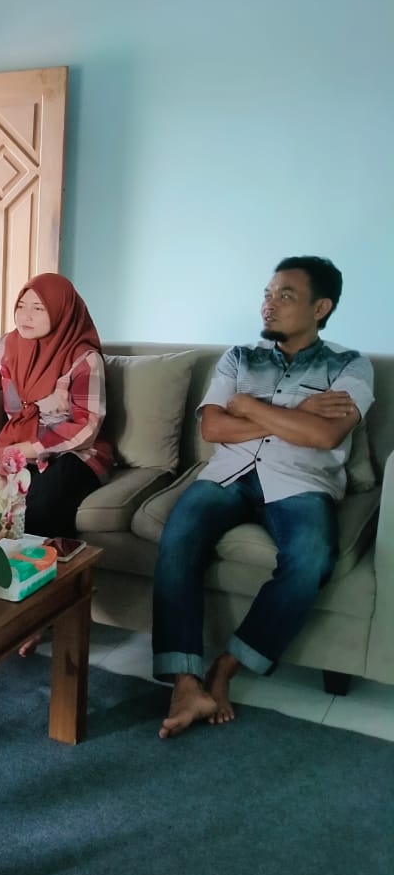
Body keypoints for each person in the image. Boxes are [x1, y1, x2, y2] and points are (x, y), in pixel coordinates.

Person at [153, 256, 372, 739]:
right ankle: (186, 683)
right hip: (228, 473)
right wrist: (295, 412)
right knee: (179, 534)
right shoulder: (239, 357)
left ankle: (225, 669)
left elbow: (325, 435)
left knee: (311, 558)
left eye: (285, 296)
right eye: (268, 294)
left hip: (301, 481)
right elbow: (213, 427)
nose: (269, 305)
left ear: (321, 307)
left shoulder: (350, 365)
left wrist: (249, 405)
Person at [0, 273, 112, 538]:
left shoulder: (84, 359)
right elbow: (4, 370)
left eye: (38, 308)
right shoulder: (7, 346)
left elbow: (86, 426)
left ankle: (41, 561)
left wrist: (26, 449)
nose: (25, 316)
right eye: (21, 306)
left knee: (38, 506)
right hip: (18, 441)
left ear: (62, 311)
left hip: (73, 451)